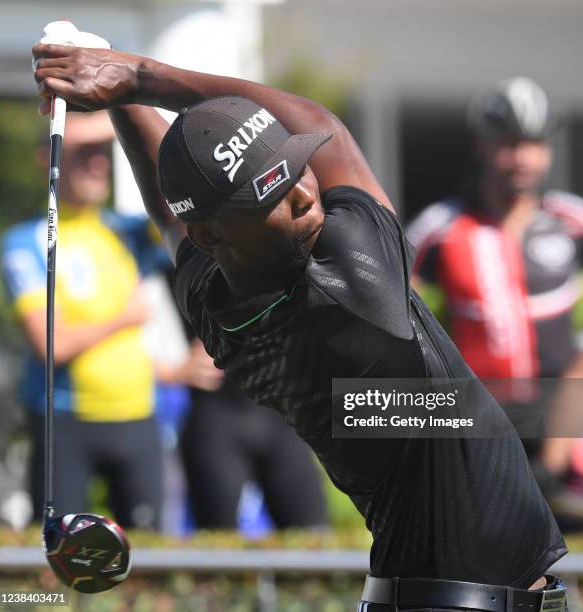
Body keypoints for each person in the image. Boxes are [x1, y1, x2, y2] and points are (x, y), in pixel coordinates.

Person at [32, 35, 568, 610]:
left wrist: (115, 91)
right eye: (270, 188)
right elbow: (321, 124)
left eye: (293, 164)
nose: (304, 190)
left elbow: (174, 218)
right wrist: (137, 76)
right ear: (216, 235)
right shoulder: (355, 283)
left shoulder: (217, 306)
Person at [406, 78, 583, 515]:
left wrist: (561, 444)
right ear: (484, 147)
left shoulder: (571, 219)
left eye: (534, 143)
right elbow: (390, 316)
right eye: (509, 143)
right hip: (480, 416)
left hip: (565, 417)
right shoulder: (440, 225)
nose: (522, 157)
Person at [0, 111, 163, 529]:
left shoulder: (129, 231)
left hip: (138, 419)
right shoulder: (27, 240)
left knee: (152, 560)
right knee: (59, 558)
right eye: (81, 152)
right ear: (48, 160)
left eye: (103, 152)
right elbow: (50, 344)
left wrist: (123, 109)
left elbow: (181, 201)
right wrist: (122, 318)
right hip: (66, 423)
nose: (98, 163)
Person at [161, 336, 328, 531]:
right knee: (218, 542)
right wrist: (171, 371)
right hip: (215, 415)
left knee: (314, 536)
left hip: (281, 420)